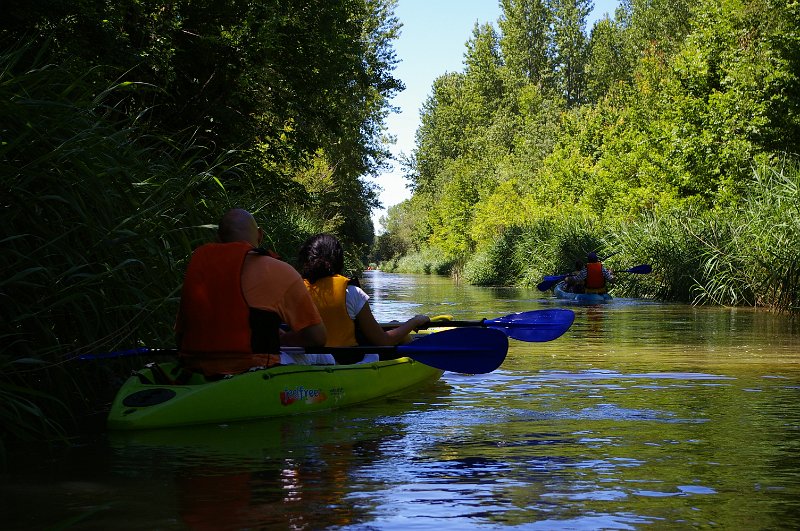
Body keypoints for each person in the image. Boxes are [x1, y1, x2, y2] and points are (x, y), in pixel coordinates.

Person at [175, 209, 327, 377]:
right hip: (253, 370)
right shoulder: (278, 271)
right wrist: (282, 339)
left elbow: (180, 335)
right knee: (324, 358)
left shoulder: (197, 268)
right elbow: (317, 337)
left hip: (195, 370)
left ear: (218, 239)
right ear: (260, 235)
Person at [297, 233, 430, 348]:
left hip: (308, 359)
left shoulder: (296, 290)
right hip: (345, 361)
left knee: (394, 324)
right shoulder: (352, 292)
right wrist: (415, 321)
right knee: (402, 335)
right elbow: (383, 341)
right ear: (338, 259)